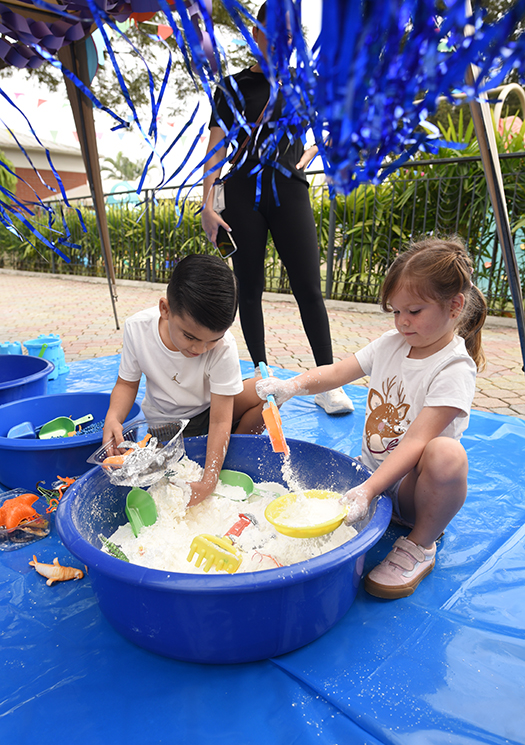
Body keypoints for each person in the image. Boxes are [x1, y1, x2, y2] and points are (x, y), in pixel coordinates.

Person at [256, 237, 487, 599]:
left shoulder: (454, 368)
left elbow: (417, 439)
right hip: (371, 473)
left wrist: (369, 490)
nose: (402, 322)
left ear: (454, 306)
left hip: (411, 493)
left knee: (447, 454)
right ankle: (378, 503)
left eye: (414, 311)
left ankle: (420, 544)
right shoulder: (392, 343)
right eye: (395, 312)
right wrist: (291, 386)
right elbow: (337, 372)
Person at [200, 1, 353, 416]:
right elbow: (216, 149)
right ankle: (262, 376)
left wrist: (309, 154)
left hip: (289, 190)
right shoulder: (231, 87)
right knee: (249, 288)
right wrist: (207, 204)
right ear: (256, 32)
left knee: (309, 287)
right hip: (241, 193)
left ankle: (326, 382)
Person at [103, 254, 265, 507]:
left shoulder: (224, 346)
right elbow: (126, 384)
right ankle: (213, 453)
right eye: (190, 337)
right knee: (169, 469)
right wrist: (113, 418)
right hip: (169, 426)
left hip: (210, 410)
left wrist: (209, 481)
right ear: (165, 309)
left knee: (268, 391)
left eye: (212, 340)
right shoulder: (138, 329)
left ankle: (230, 456)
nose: (200, 349)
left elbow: (220, 418)